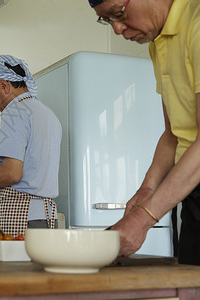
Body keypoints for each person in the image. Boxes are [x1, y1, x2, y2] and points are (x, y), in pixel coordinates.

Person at [89, 0, 200, 265]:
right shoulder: (158, 41)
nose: (116, 29)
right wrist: (147, 189)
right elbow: (173, 134)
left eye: (118, 14)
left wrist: (142, 219)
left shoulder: (196, 23)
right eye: (107, 20)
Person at [0, 55, 62, 237]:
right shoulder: (47, 114)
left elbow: (11, 173)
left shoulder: (15, 112)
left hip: (22, 216)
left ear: (3, 85)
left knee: (16, 266)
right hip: (45, 216)